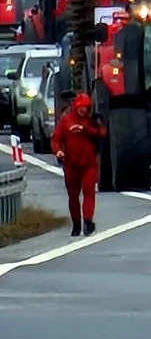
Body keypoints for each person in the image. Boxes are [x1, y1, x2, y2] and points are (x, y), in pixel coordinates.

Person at [51, 93, 107, 236]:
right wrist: (58, 151)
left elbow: (102, 133)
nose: (83, 110)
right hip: (71, 164)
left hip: (89, 164)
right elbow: (56, 138)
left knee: (89, 192)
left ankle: (88, 221)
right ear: (75, 106)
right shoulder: (66, 121)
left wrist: (86, 129)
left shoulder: (92, 120)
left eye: (86, 107)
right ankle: (76, 224)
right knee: (73, 196)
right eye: (80, 107)